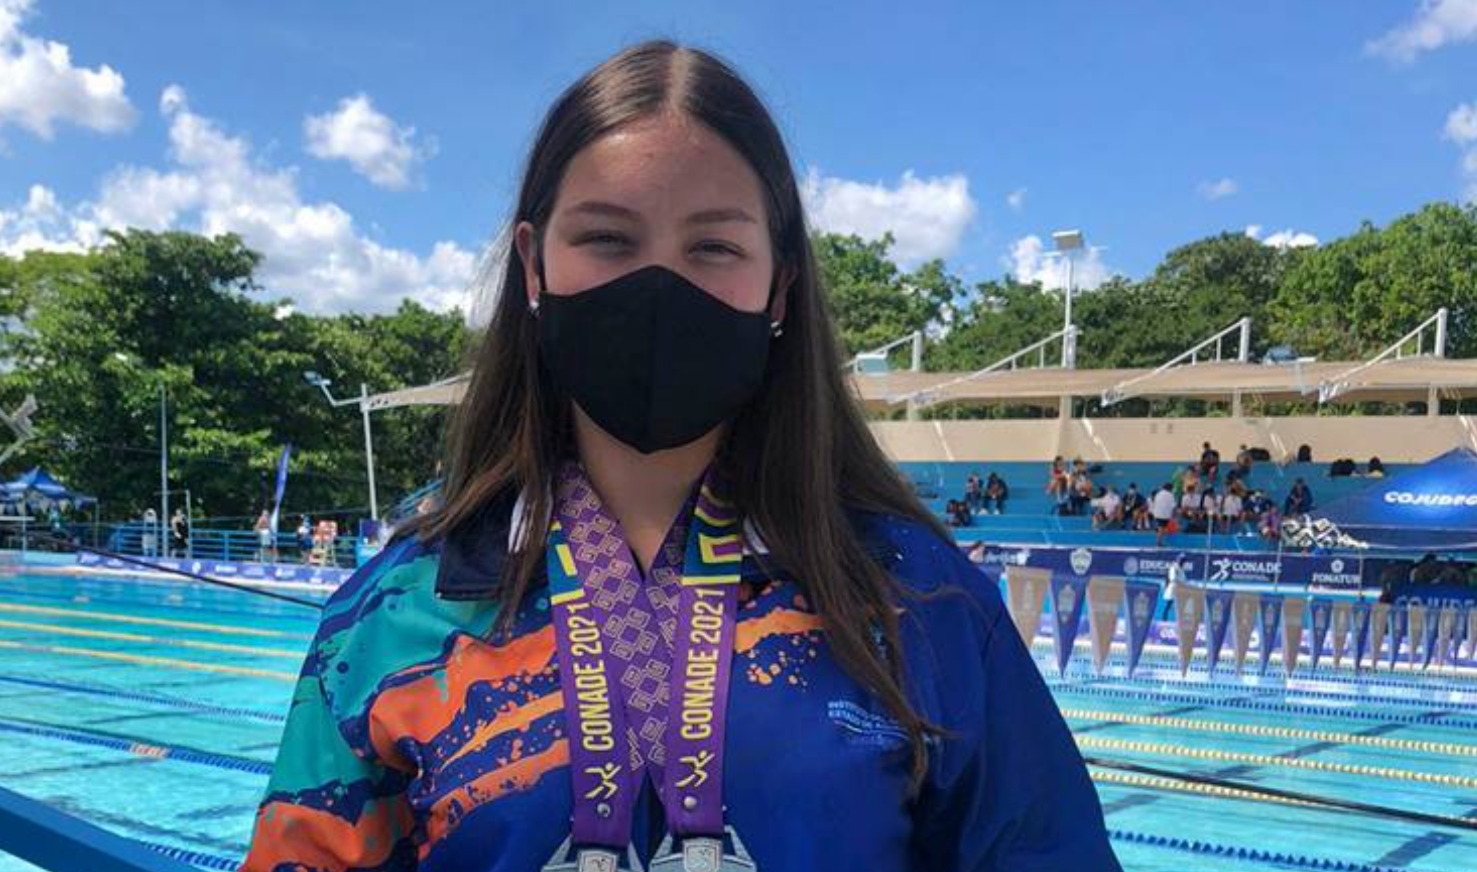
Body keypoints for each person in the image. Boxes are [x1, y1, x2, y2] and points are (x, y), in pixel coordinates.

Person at [237, 40, 1117, 872]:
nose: (660, 287)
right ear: (534, 267)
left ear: (779, 286)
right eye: (608, 239)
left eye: (714, 247)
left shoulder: (914, 599)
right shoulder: (394, 617)